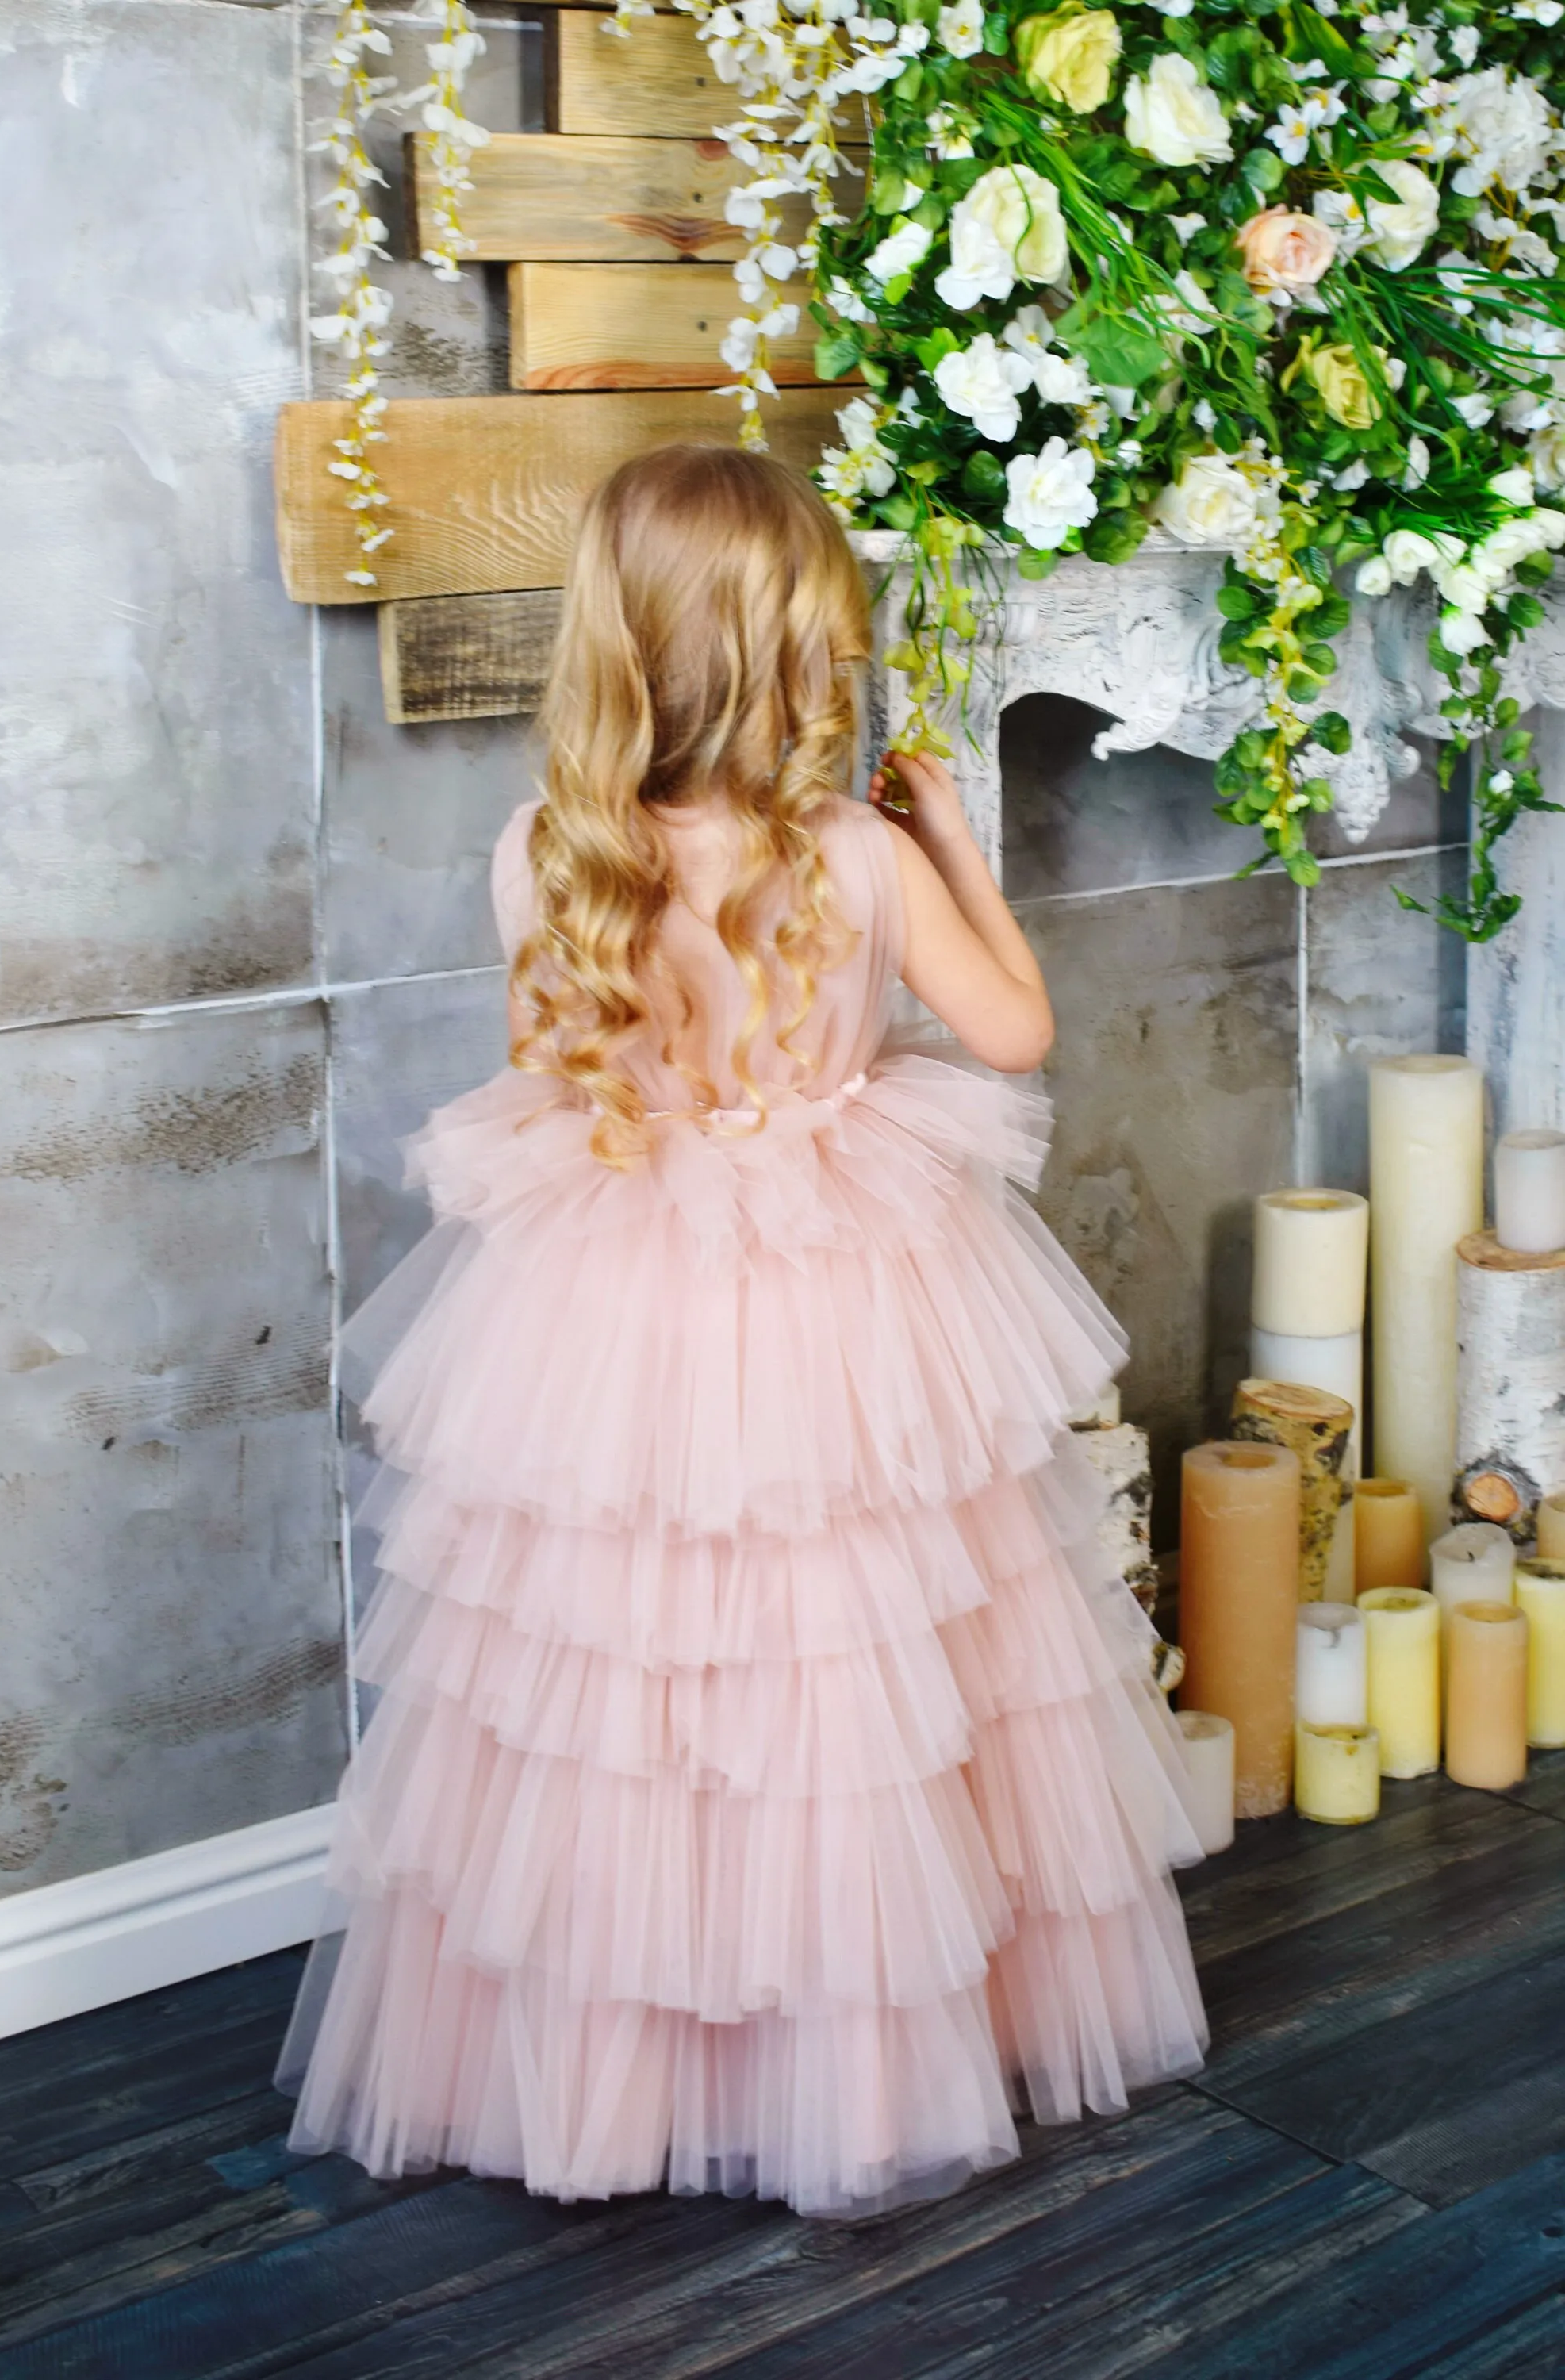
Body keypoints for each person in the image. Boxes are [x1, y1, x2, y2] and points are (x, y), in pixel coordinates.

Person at [276, 443, 1207, 2218]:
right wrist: (957, 851)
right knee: (861, 1660)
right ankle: (852, 2046)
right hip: (847, 1310)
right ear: (801, 652)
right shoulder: (857, 852)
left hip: (612, 1299)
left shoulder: (545, 854)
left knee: (629, 1681)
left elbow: (560, 1075)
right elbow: (1012, 1037)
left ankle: (635, 2059)